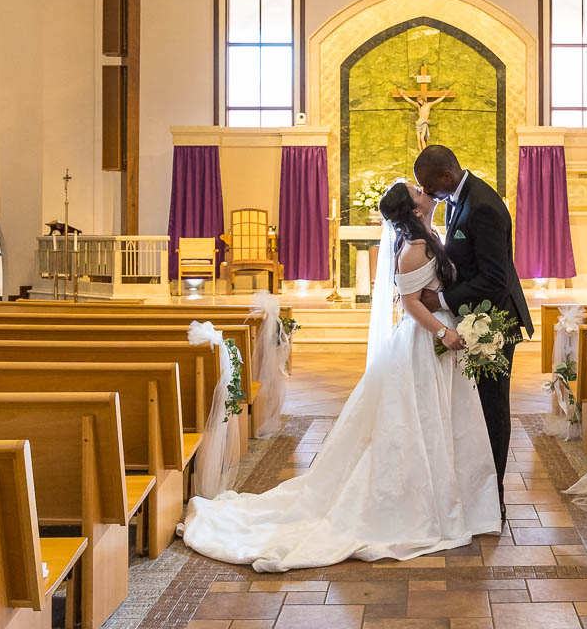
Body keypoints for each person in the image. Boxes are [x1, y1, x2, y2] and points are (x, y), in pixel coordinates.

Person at [178, 181, 500, 572]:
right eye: (417, 191)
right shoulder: (414, 250)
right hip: (425, 342)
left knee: (443, 420)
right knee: (416, 423)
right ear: (414, 211)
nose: (424, 191)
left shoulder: (431, 234)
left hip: (438, 344)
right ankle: (416, 504)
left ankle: (454, 496)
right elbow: (413, 303)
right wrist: (444, 332)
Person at [413, 145, 535, 521]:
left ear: (447, 177)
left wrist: (444, 299)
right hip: (474, 317)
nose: (429, 195)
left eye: (431, 188)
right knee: (476, 408)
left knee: (493, 409)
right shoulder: (457, 198)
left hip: (495, 323)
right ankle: (476, 489)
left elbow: (496, 279)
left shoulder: (483, 206)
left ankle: (493, 496)